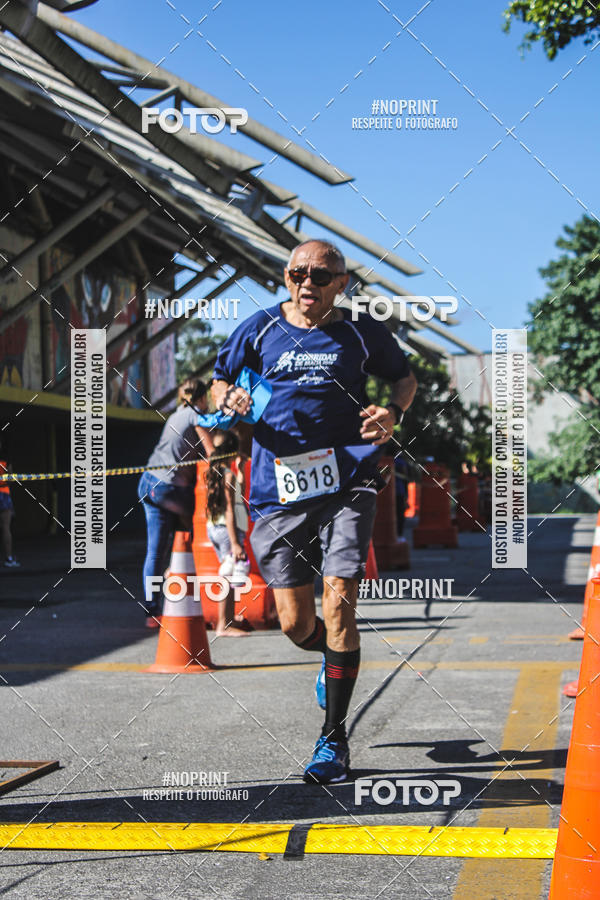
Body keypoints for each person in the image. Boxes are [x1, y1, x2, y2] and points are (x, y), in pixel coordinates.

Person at [211, 238, 417, 783]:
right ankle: (328, 658)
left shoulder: (360, 331)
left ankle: (332, 741)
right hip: (278, 485)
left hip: (349, 476)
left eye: (321, 275)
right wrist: (228, 398)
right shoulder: (256, 329)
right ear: (285, 277)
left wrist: (392, 412)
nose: (309, 282)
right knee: (296, 622)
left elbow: (405, 377)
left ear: (340, 284)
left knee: (341, 602)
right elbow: (218, 382)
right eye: (299, 273)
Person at [138, 378, 214, 628]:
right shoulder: (196, 415)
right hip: (170, 488)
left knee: (155, 551)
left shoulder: (176, 415)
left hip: (149, 482)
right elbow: (212, 452)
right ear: (202, 399)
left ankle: (152, 611)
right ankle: (183, 582)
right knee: (200, 531)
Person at [205, 430, 251, 637]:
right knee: (228, 576)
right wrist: (235, 543)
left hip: (215, 527)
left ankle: (229, 619)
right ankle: (223, 625)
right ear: (232, 451)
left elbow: (237, 493)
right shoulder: (227, 474)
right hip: (227, 531)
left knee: (229, 574)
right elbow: (230, 509)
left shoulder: (216, 471)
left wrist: (239, 468)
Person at [0, 444, 19, 568]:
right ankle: (9, 558)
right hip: (4, 493)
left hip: (4, 493)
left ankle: (9, 558)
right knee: (5, 527)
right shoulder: (6, 460)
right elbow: (10, 479)